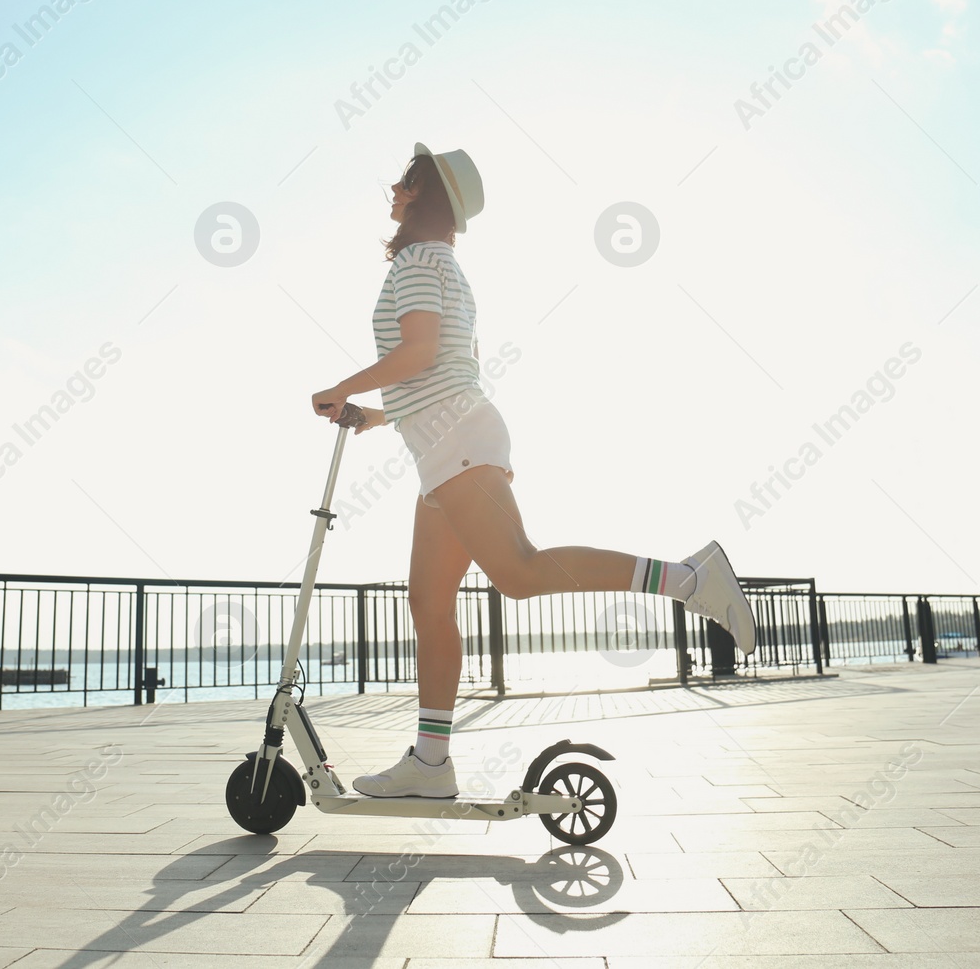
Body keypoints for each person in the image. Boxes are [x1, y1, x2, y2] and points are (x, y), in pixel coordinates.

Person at [310, 142, 757, 799]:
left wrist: (338, 386)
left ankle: (689, 579)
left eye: (407, 182)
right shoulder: (445, 267)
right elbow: (449, 366)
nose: (395, 190)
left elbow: (421, 351)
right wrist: (375, 416)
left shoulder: (414, 262)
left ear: (425, 197)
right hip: (447, 443)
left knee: (517, 571)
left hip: (456, 442)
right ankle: (430, 763)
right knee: (428, 602)